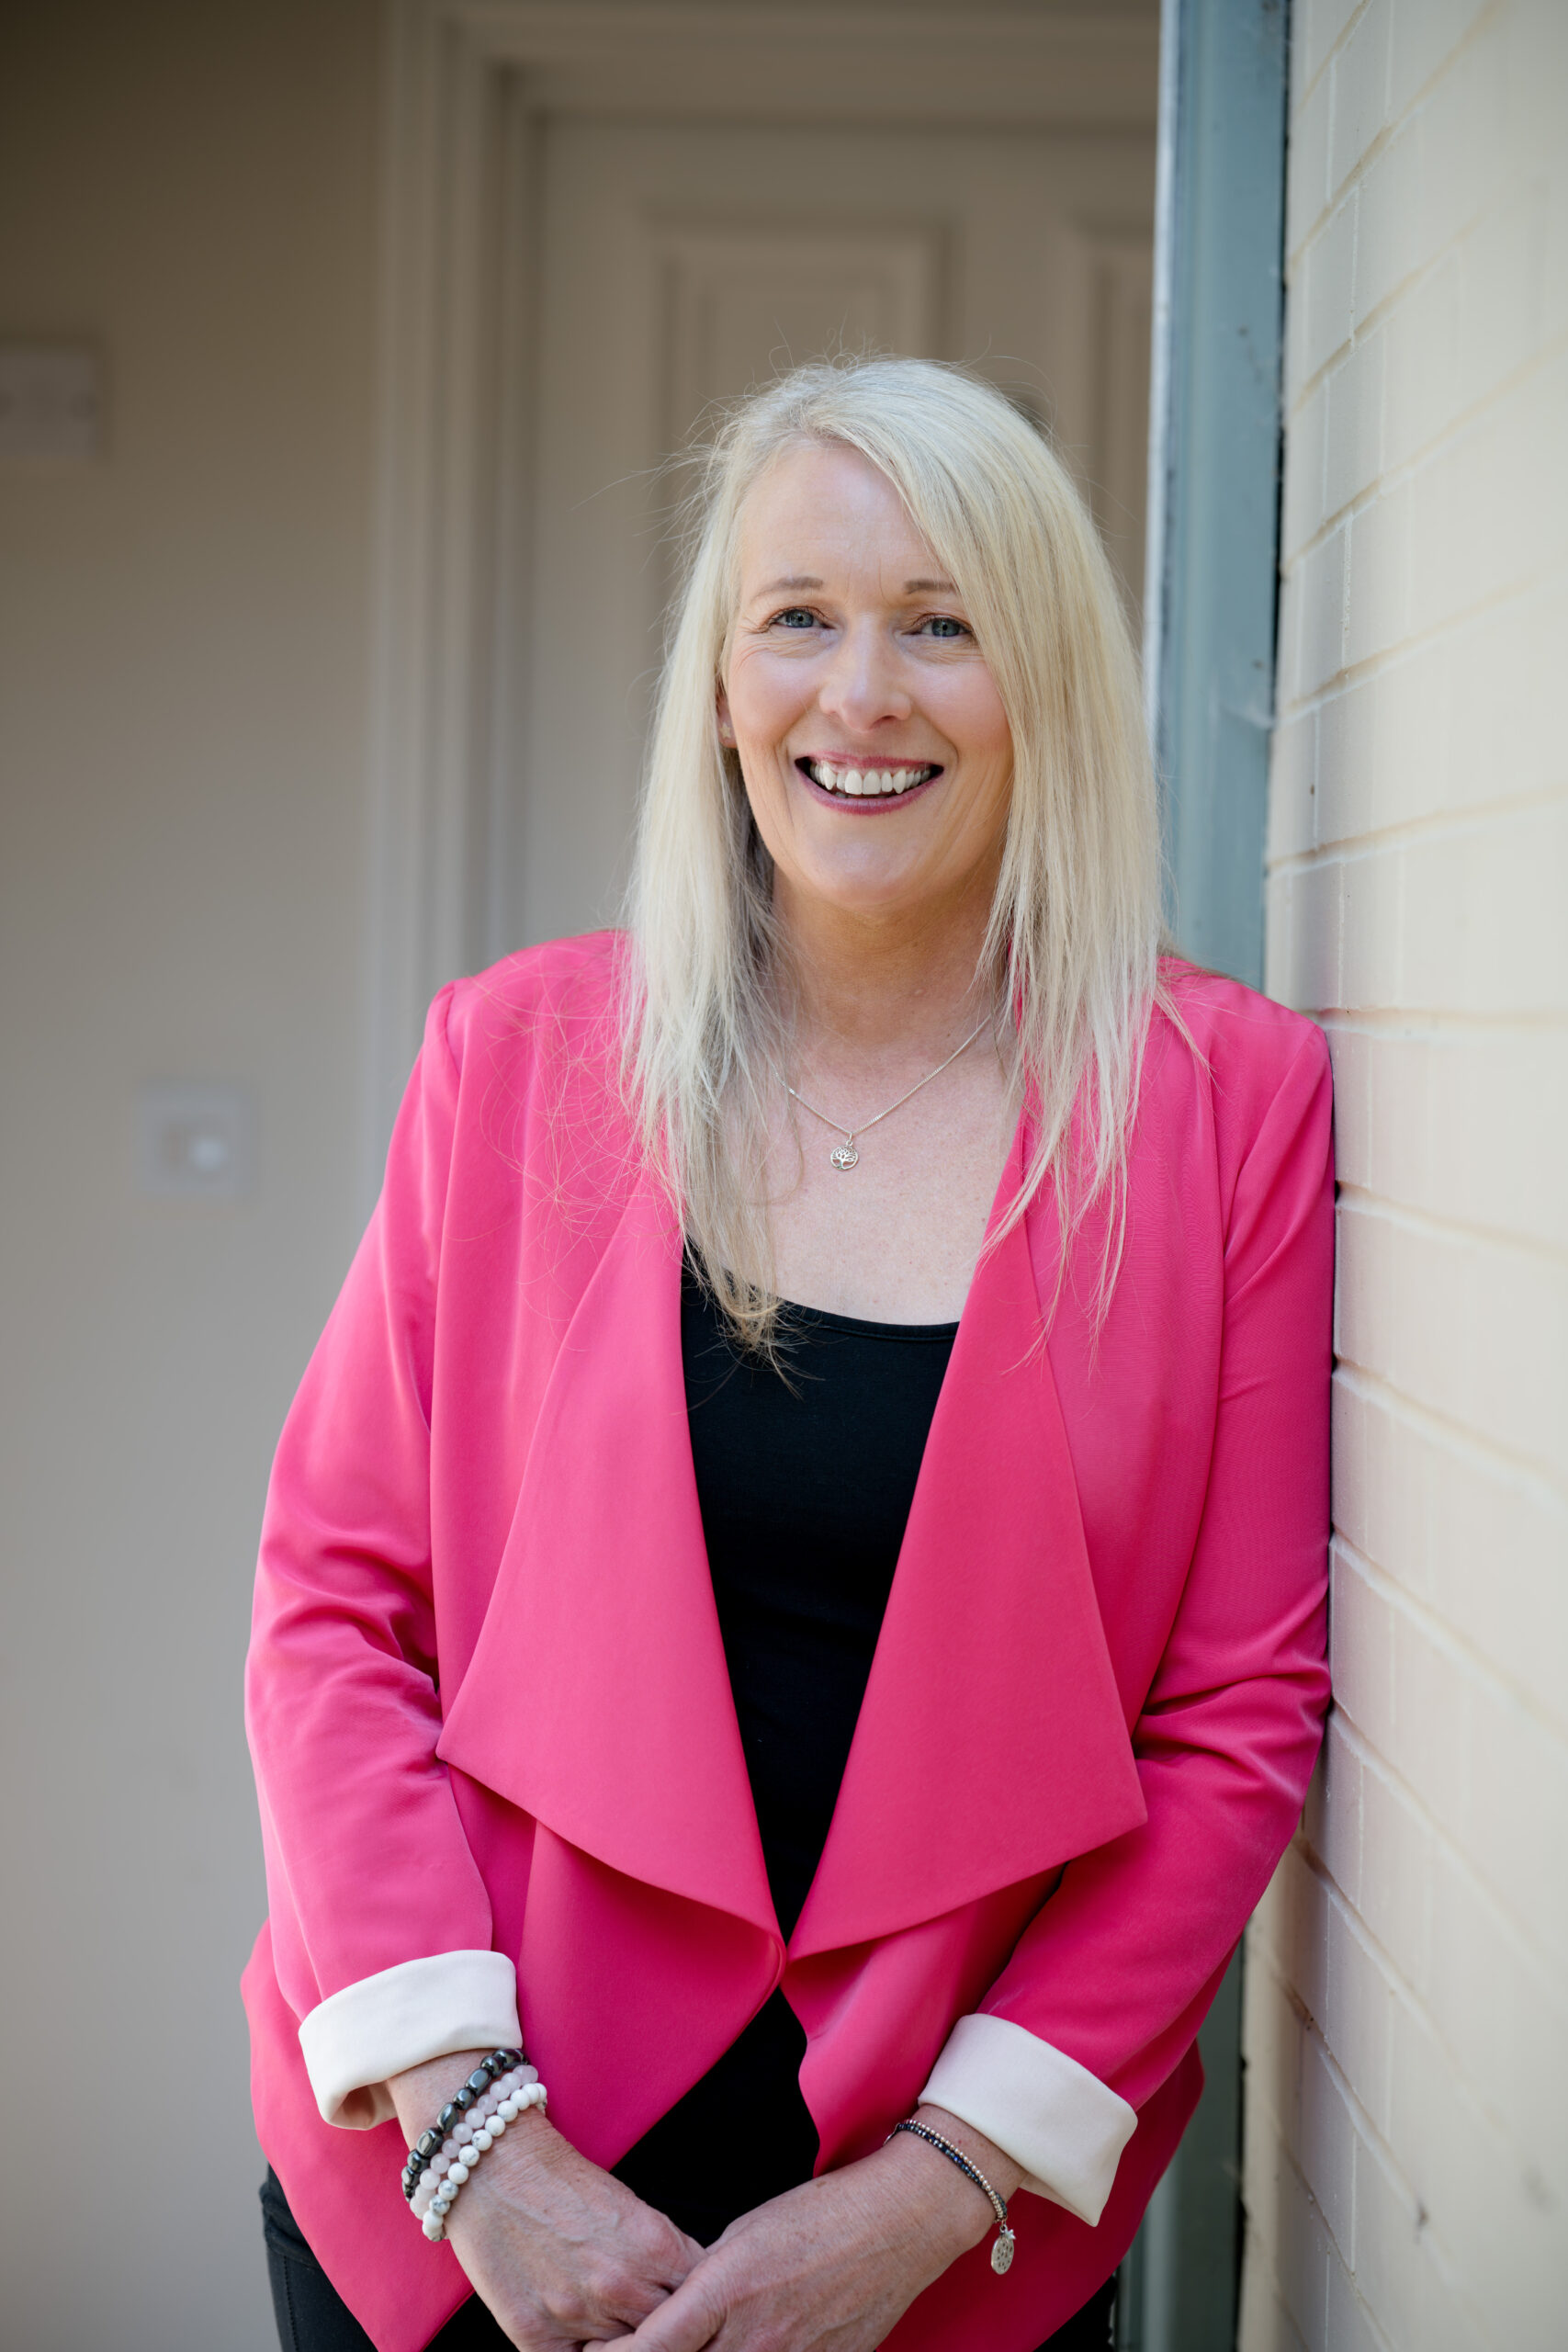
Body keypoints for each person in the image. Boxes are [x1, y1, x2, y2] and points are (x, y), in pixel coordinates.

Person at [243, 356, 1334, 2352]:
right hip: (468, 2192)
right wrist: (473, 2136)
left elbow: (1235, 1713)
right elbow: (333, 1604)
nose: (860, 693)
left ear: (1047, 681)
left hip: (942, 2233)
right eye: (798, 620)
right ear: (722, 681)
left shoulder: (1220, 1104)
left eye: (942, 624)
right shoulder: (513, 1059)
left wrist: (928, 2192)